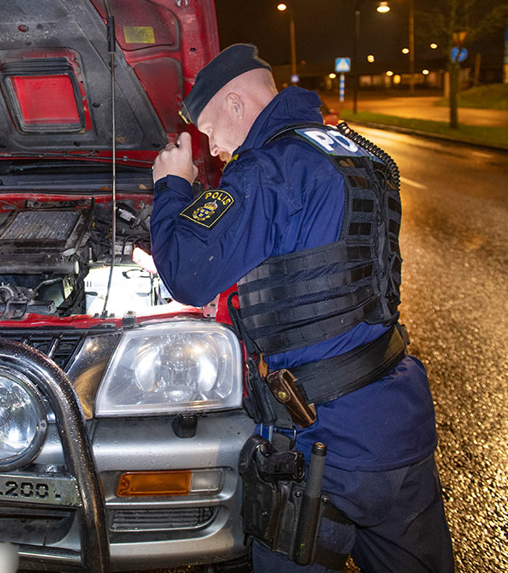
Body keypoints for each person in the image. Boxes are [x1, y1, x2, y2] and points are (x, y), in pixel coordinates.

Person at [149, 44, 454, 572]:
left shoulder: (268, 168)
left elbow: (188, 274)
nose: (213, 146)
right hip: (396, 416)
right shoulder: (354, 151)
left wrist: (172, 187)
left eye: (210, 129)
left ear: (238, 106)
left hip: (323, 438)